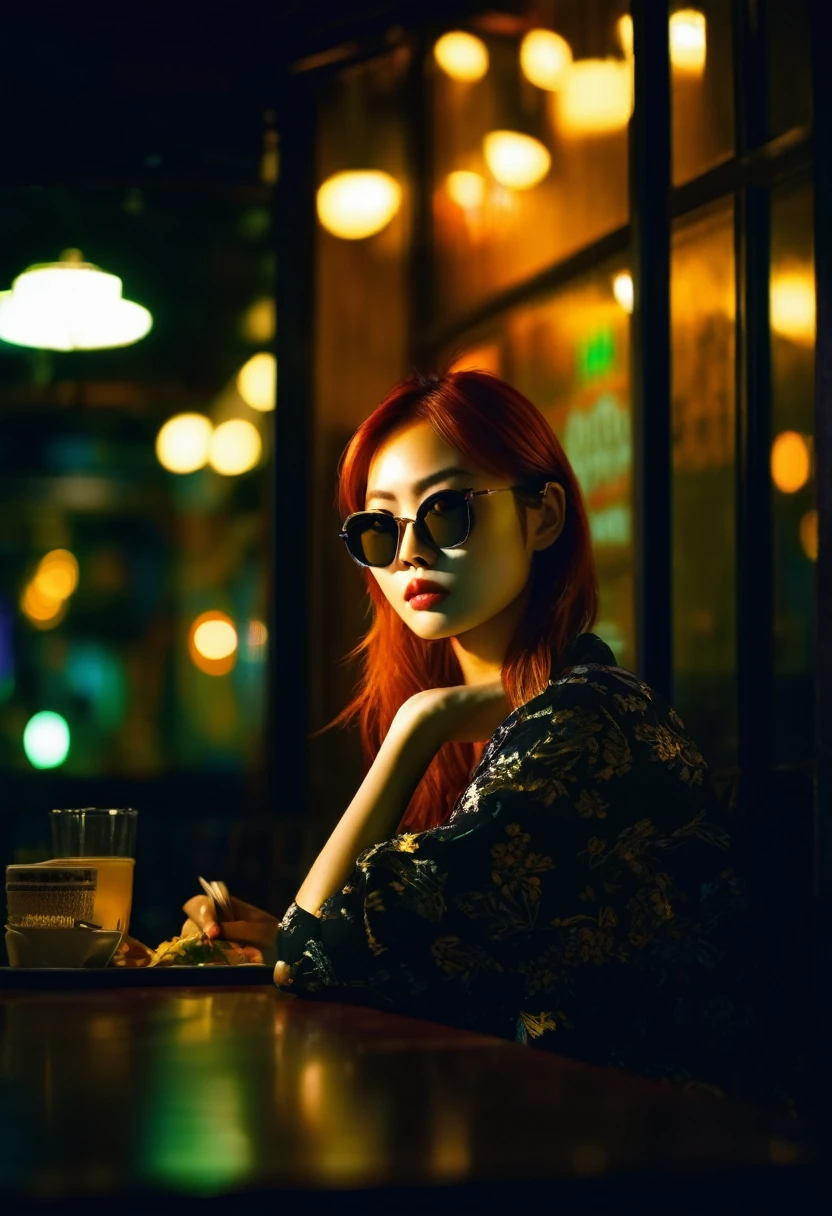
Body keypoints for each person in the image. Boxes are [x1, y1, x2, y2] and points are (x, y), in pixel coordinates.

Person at [182, 368, 764, 1100]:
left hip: (662, 1161)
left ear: (543, 517)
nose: (410, 553)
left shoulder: (583, 727)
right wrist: (273, 938)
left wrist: (416, 726)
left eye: (446, 511)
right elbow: (380, 959)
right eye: (378, 528)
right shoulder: (533, 720)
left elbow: (310, 959)